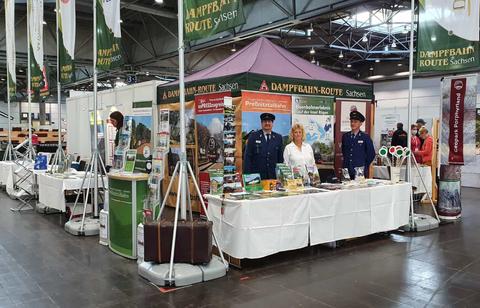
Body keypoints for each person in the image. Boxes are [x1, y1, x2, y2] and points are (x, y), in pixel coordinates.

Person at [243, 113, 284, 179]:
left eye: (269, 121)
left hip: (273, 177)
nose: (267, 123)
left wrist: (280, 176)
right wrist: (247, 176)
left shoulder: (278, 138)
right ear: (261, 123)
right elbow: (248, 157)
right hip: (256, 177)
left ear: (272, 123)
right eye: (265, 121)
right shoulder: (253, 136)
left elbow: (280, 159)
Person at [341, 111, 375, 180]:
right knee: (345, 188)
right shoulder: (345, 136)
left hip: (360, 169)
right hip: (346, 169)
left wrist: (364, 165)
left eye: (355, 122)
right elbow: (344, 152)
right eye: (351, 121)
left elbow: (371, 154)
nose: (353, 123)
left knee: (359, 189)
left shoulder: (365, 137)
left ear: (361, 123)